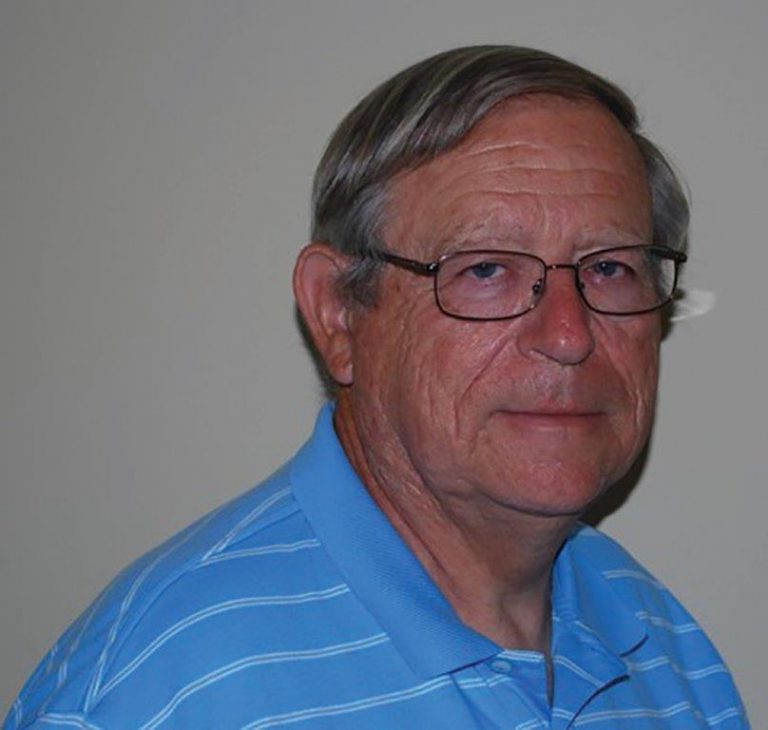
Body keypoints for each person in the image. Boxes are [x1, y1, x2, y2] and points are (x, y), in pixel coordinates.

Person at [5, 46, 748, 729]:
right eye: (486, 269)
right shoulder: (169, 686)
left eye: (611, 268)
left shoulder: (666, 648)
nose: (567, 334)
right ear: (338, 313)